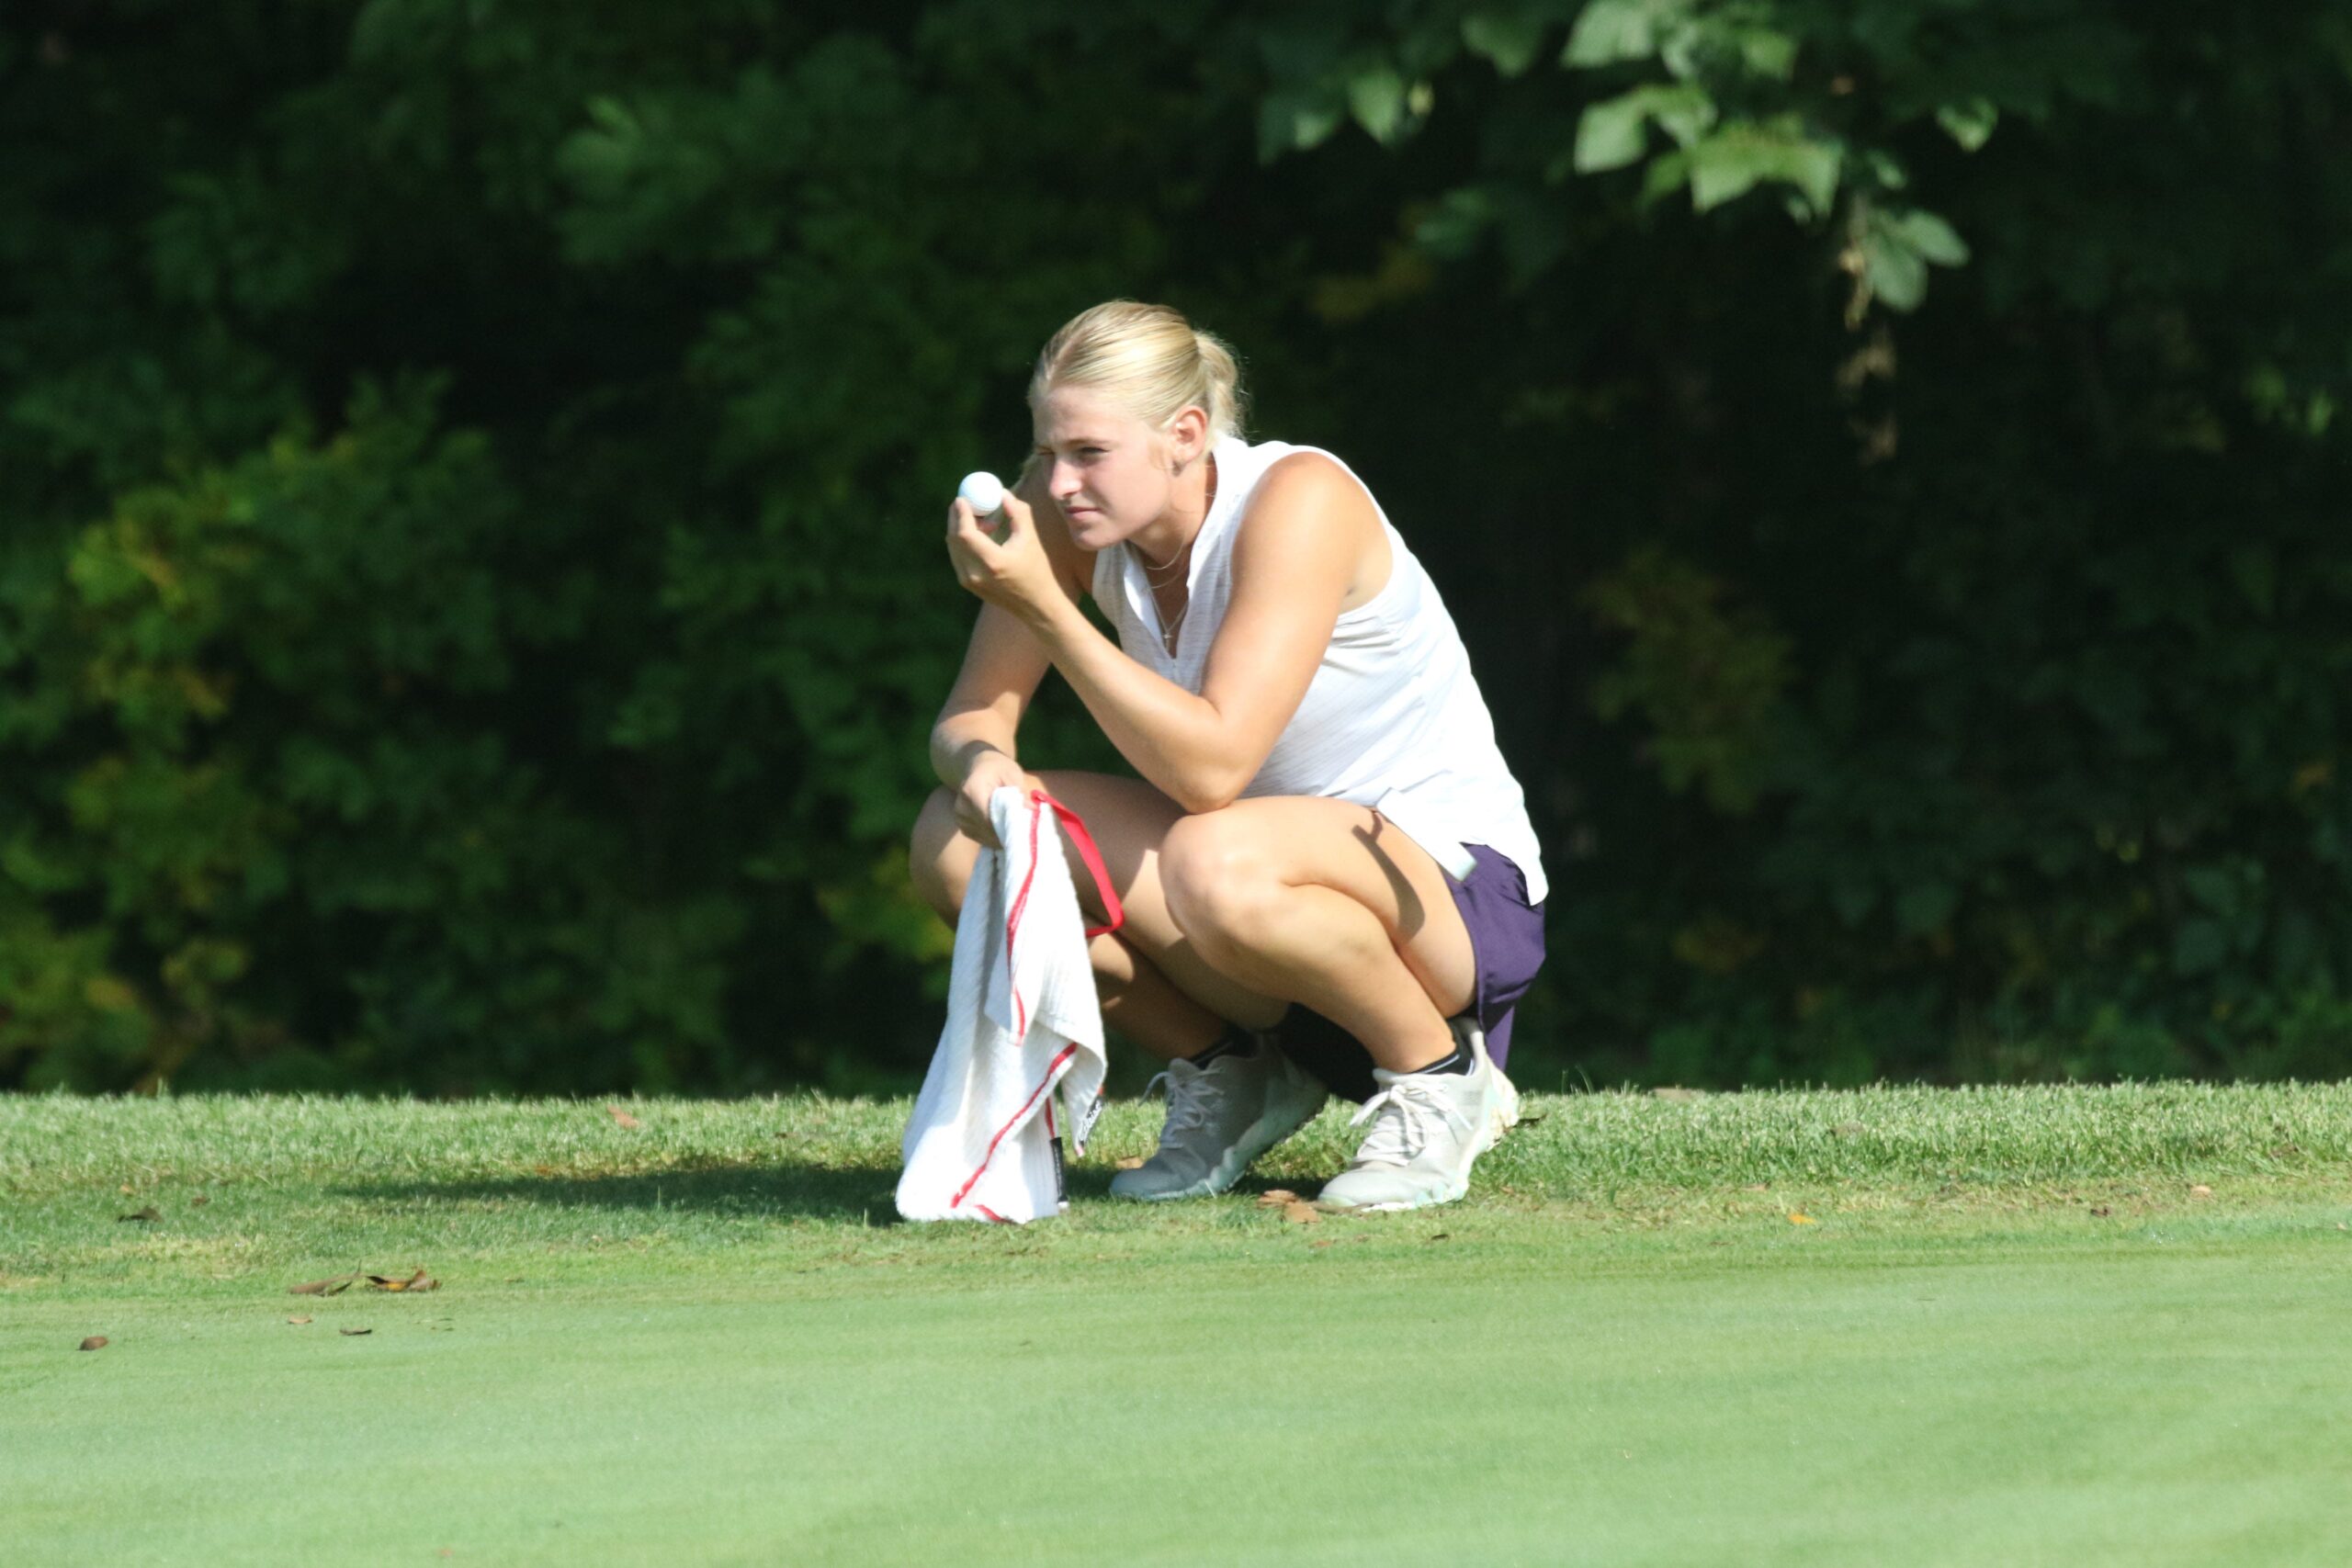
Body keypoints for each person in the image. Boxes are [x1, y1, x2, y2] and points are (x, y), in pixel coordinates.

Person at [908, 299, 1547, 1212]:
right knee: (959, 844)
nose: (1057, 483)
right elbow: (968, 718)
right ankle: (1233, 1073)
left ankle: (1441, 1076)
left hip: (1447, 901)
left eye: (1088, 453)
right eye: (1049, 452)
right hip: (1244, 894)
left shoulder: (1300, 499)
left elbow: (1212, 769)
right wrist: (982, 772)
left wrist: (1050, 612)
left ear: (1186, 433)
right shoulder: (1068, 520)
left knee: (1212, 856)